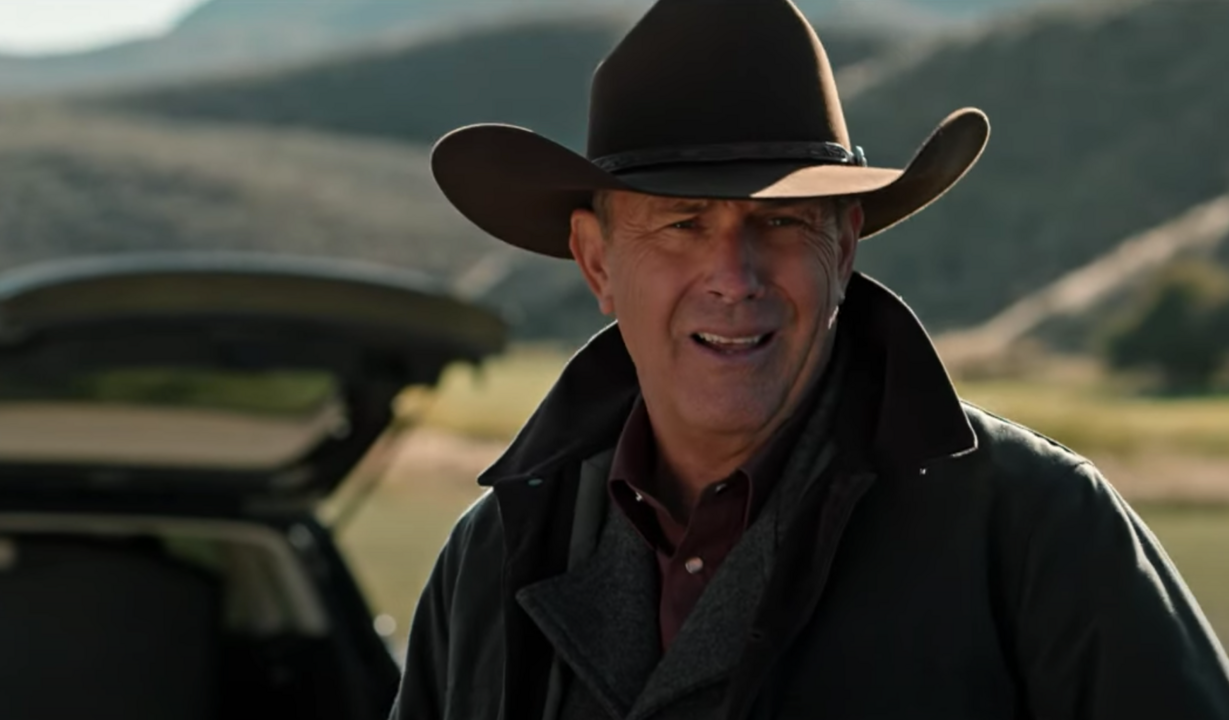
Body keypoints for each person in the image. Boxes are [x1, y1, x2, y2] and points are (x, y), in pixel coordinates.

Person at [391, 0, 1229, 717]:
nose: (735, 277)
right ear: (597, 262)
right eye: (683, 224)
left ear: (846, 246)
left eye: (782, 223)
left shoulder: (1036, 527)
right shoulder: (491, 559)